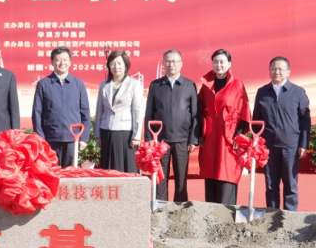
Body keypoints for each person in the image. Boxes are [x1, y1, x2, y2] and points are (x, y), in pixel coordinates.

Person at [252, 56, 311, 211]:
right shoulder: (262, 92)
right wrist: (256, 143)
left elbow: (305, 120)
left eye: (280, 69)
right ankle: (272, 215)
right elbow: (256, 120)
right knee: (271, 185)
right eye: (273, 69)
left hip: (290, 146)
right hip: (268, 146)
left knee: (290, 185)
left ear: (288, 72)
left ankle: (289, 218)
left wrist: (303, 144)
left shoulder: (298, 92)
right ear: (269, 71)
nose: (276, 72)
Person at [144, 50, 199, 202]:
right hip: (161, 141)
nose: (171, 64)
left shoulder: (189, 85)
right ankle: (160, 207)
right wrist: (150, 140)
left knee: (181, 179)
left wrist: (193, 139)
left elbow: (195, 114)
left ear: (181, 64)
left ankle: (180, 208)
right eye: (168, 61)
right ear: (163, 64)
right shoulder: (156, 85)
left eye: (174, 61)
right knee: (160, 177)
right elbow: (149, 114)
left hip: (182, 140)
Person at [197, 49, 250, 205]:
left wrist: (239, 134)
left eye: (221, 62)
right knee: (210, 174)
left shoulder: (238, 85)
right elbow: (198, 111)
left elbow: (245, 111)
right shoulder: (206, 86)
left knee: (226, 174)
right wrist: (200, 134)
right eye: (215, 62)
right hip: (209, 137)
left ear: (229, 64)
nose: (218, 65)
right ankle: (211, 213)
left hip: (228, 138)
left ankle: (227, 214)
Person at [32, 46, 90, 168]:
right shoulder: (43, 84)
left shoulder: (78, 84)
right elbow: (37, 113)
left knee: (70, 173)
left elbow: (85, 112)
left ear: (70, 62)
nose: (62, 63)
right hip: (50, 138)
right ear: (52, 62)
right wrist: (40, 139)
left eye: (65, 59)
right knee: (51, 172)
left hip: (72, 139)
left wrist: (84, 138)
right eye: (58, 60)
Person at [94, 50, 143, 173]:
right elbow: (99, 110)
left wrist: (136, 136)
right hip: (107, 132)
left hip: (125, 133)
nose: (116, 67)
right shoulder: (104, 85)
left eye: (119, 63)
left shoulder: (134, 84)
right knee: (108, 169)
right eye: (112, 63)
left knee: (126, 168)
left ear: (126, 65)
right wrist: (97, 135)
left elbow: (137, 111)